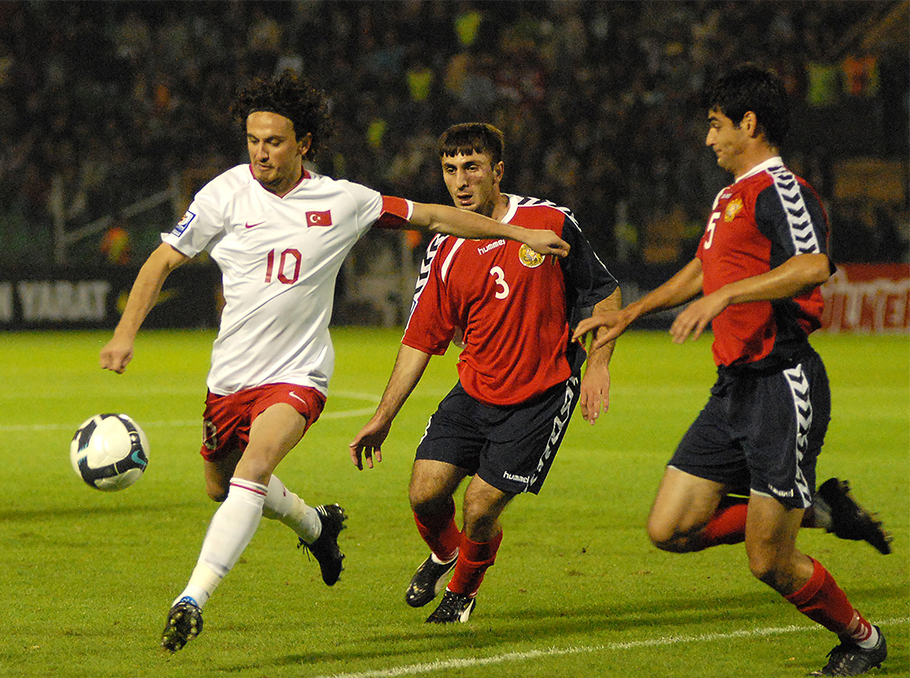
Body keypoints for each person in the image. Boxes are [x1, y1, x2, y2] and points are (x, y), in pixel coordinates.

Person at [99, 72, 570, 653]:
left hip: (297, 375)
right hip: (229, 376)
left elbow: (435, 217)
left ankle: (192, 598)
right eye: (252, 140)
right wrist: (125, 334)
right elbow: (160, 262)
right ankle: (317, 526)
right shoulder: (223, 193)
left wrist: (516, 230)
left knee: (252, 472)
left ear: (304, 144)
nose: (260, 152)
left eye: (273, 141)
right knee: (221, 485)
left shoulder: (345, 200)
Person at [573, 65, 889, 676]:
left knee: (768, 561)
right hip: (733, 389)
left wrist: (726, 297)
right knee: (669, 528)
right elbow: (703, 266)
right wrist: (634, 311)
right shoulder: (729, 196)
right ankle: (816, 510)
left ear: (749, 123)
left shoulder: (780, 187)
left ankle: (863, 641)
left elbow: (815, 265)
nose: (708, 139)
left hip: (782, 382)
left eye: (716, 125)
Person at [350, 122, 620, 623]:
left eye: (472, 168)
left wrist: (599, 362)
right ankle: (446, 553)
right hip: (474, 390)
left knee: (478, 508)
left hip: (540, 395)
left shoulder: (548, 222)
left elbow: (603, 291)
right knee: (425, 494)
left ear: (498, 171)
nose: (460, 181)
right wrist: (383, 416)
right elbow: (419, 339)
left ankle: (461, 593)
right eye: (450, 170)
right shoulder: (443, 246)